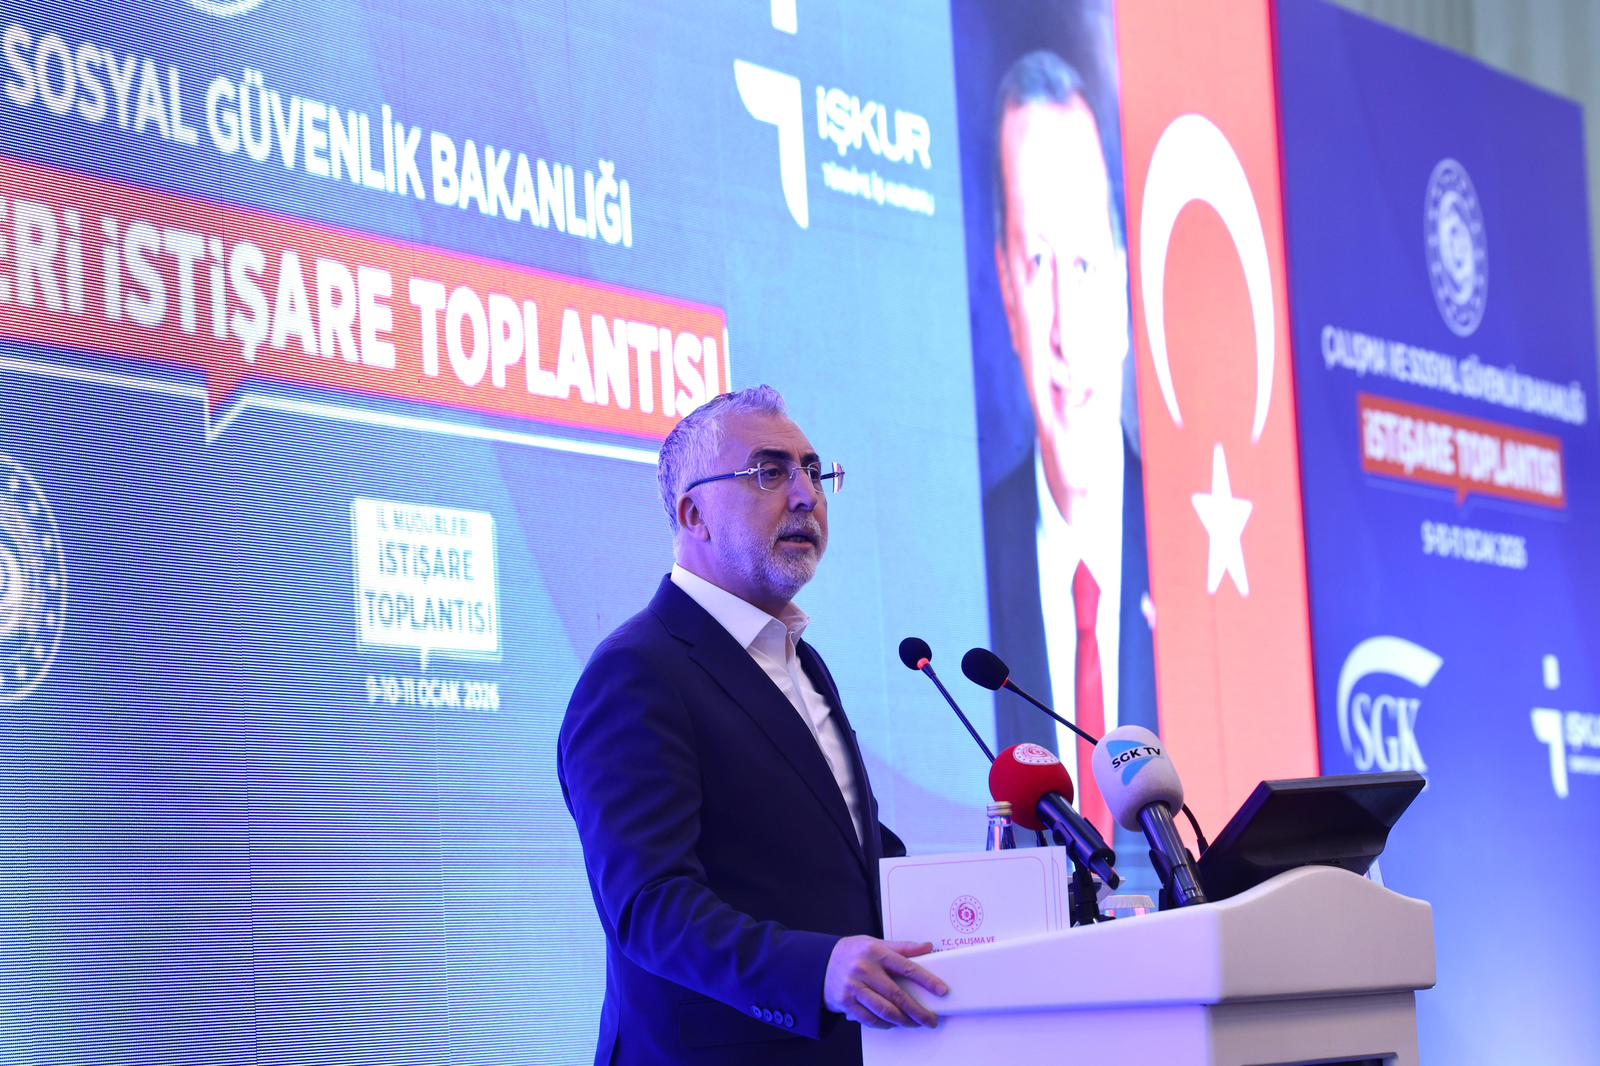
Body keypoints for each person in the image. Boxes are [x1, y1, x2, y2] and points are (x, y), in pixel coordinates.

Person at [558, 385, 948, 1065]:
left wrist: (999, 904)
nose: (805, 496)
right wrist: (816, 970)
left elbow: (842, 858)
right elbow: (649, 906)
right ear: (694, 514)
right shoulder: (637, 671)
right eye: (770, 472)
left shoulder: (801, 662)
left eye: (814, 472)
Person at [986, 50, 1158, 847]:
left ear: (1124, 277)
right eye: (1037, 263)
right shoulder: (970, 560)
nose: (1063, 329)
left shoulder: (1194, 554)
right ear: (1006, 287)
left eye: (1084, 264)